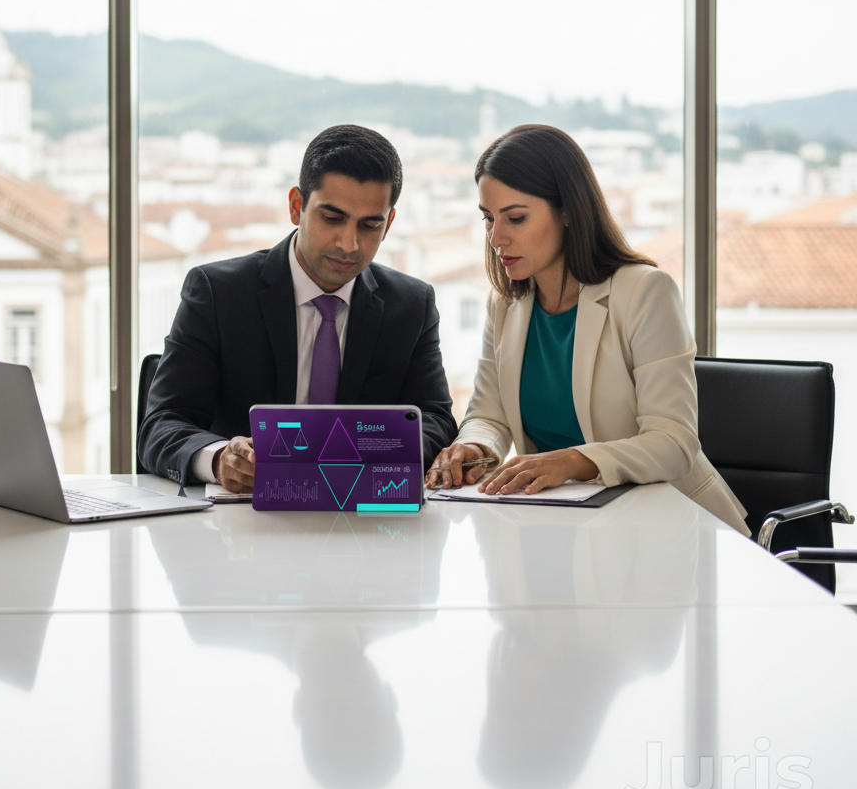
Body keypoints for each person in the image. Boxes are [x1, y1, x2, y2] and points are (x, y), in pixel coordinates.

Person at [425, 124, 749, 535]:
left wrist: (573, 460)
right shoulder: (506, 303)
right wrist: (474, 446)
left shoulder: (645, 291)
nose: (496, 238)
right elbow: (489, 414)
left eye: (516, 218)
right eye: (488, 219)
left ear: (567, 212)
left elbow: (674, 443)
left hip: (671, 529)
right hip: (565, 527)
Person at [139, 124, 458, 491]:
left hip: (363, 521)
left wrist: (369, 456)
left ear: (388, 225)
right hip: (238, 526)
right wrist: (219, 457)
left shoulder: (412, 305)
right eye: (332, 218)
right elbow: (161, 424)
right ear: (296, 206)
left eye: (370, 225)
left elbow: (434, 420)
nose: (349, 244)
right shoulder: (218, 293)